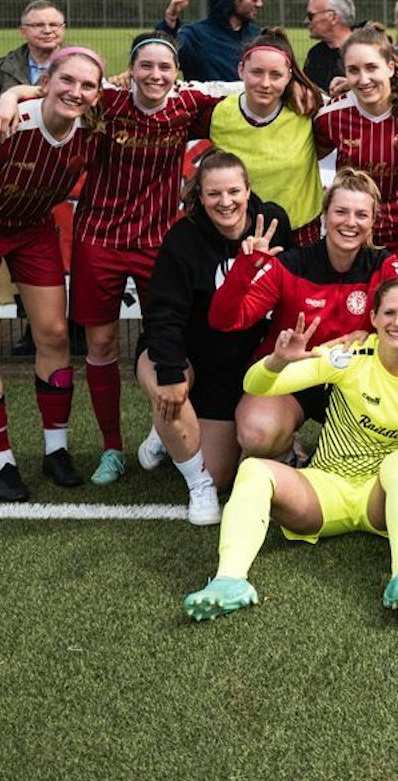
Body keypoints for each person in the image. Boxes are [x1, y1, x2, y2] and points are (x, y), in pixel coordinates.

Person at [0, 32, 223, 486]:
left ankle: (159, 433)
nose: (155, 75)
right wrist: (11, 95)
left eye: (164, 68)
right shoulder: (105, 100)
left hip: (159, 242)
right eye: (145, 66)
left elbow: (244, 96)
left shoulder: (189, 105)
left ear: (177, 74)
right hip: (100, 238)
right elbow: (50, 88)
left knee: (170, 342)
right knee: (101, 346)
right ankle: (111, 447)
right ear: (131, 70)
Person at [181, 278, 398, 621]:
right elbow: (254, 385)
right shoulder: (351, 356)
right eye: (389, 312)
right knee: (254, 469)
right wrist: (277, 362)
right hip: (326, 491)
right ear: (374, 318)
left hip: (380, 497)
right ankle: (230, 580)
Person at [0, 47, 106, 501]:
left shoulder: (91, 128)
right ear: (46, 82)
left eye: (87, 85)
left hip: (32, 229)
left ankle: (56, 450)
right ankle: (3, 461)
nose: (76, 92)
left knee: (53, 333)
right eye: (67, 81)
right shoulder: (7, 123)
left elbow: (142, 82)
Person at [204, 170, 398, 462]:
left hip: (352, 384)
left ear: (373, 222)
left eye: (361, 215)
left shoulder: (383, 265)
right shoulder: (292, 265)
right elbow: (225, 320)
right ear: (325, 214)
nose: (351, 222)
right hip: (294, 376)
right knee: (257, 433)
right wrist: (244, 269)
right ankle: (287, 452)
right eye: (341, 211)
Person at [135, 150, 292, 523]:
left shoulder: (271, 222)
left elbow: (290, 284)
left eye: (234, 192)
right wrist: (172, 374)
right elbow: (163, 316)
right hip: (183, 352)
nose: (226, 203)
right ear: (200, 196)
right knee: (169, 388)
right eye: (214, 194)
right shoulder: (183, 239)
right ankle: (196, 485)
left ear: (248, 189)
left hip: (233, 365)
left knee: (223, 474)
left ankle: (170, 430)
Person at [312, 26, 398, 276]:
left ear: (390, 66)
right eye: (353, 70)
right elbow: (311, 156)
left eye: (371, 67)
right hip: (354, 238)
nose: (363, 79)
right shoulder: (331, 116)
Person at [209, 40, 326, 245]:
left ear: (289, 76)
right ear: (241, 70)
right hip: (239, 232)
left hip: (300, 233)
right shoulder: (216, 111)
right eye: (256, 72)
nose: (265, 83)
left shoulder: (307, 107)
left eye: (276, 75)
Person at [158, 0, 264, 82]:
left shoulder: (258, 38)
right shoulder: (195, 37)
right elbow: (159, 57)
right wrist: (170, 20)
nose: (259, 4)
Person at [0, 0, 63, 120]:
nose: (47, 31)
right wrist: (3, 120)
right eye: (38, 25)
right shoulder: (7, 65)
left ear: (63, 29)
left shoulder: (78, 66)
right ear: (23, 32)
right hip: (10, 135)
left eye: (54, 25)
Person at [302, 0, 358, 93]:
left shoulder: (366, 51)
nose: (305, 21)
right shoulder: (315, 54)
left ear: (332, 17)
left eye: (310, 16)